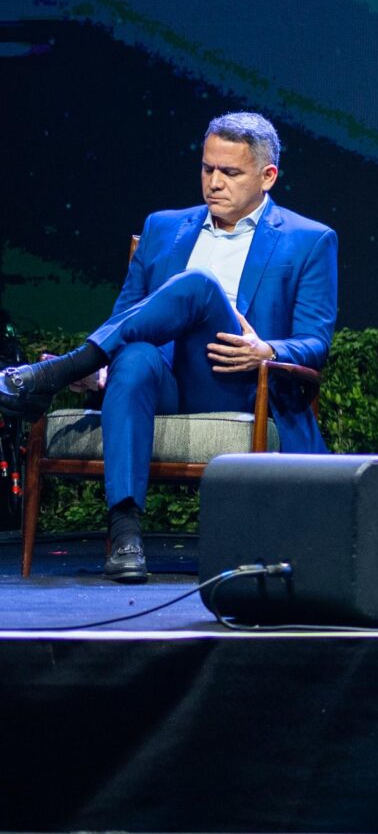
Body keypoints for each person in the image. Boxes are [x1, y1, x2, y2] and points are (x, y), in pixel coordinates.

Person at [0, 112, 338, 583]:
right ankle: (125, 534)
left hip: (238, 383)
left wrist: (268, 350)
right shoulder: (163, 228)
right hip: (165, 381)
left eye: (230, 172)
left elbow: (315, 343)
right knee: (134, 357)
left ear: (268, 176)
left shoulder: (309, 239)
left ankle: (57, 373)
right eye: (207, 169)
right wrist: (100, 375)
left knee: (198, 285)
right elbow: (125, 318)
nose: (214, 183)